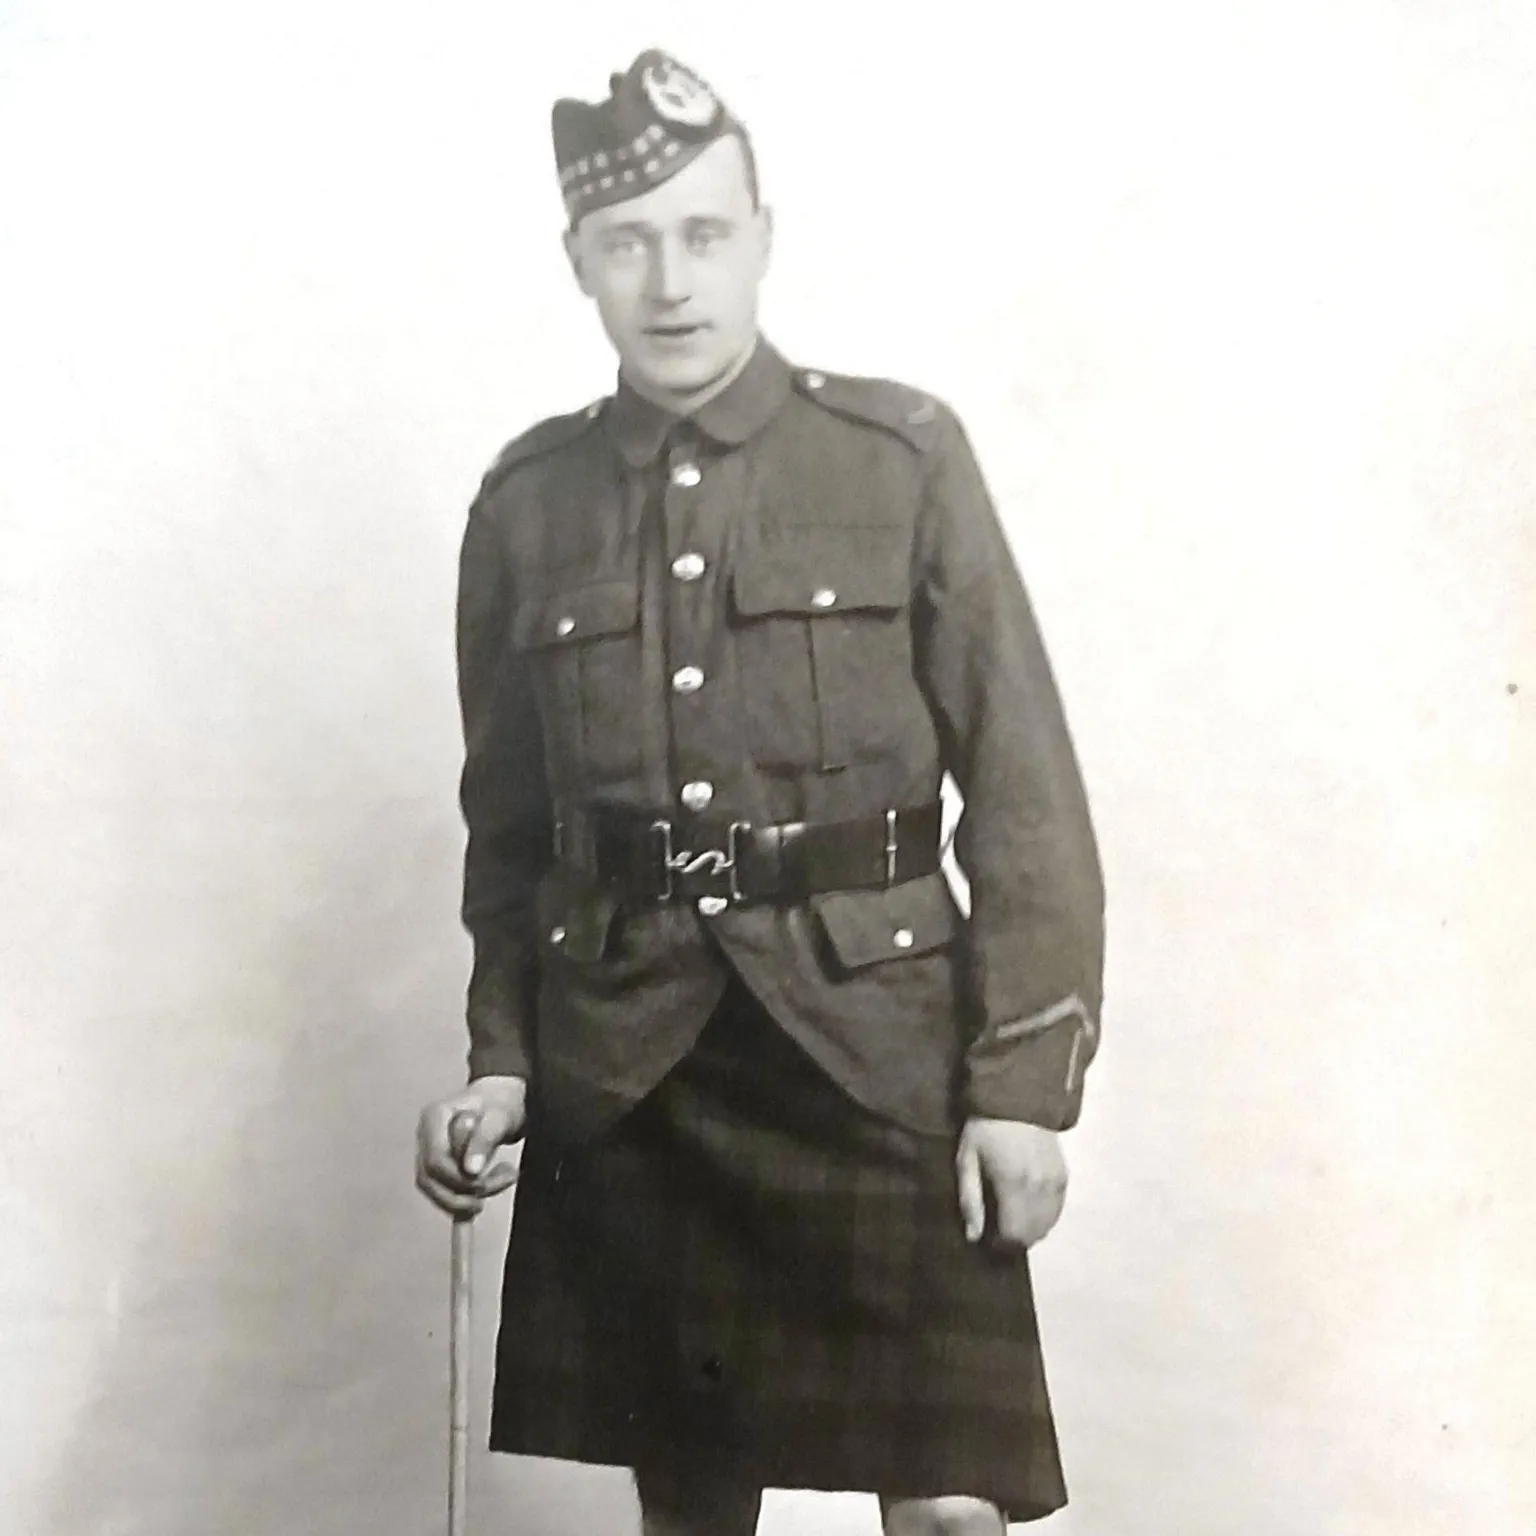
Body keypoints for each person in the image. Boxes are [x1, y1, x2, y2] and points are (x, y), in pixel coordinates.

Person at [415, 49, 1105, 1536]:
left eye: (704, 234)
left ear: (763, 237)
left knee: (948, 1510)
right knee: (692, 1511)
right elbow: (511, 837)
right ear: (578, 264)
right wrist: (502, 1061)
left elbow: (1025, 786)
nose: (671, 280)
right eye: (629, 242)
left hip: (877, 1055)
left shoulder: (900, 457)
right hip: (640, 1066)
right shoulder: (528, 508)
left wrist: (1020, 1090)